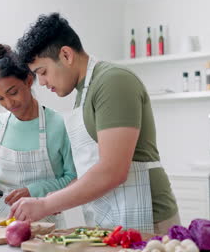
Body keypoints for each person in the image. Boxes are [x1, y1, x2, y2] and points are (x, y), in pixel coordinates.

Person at [9, 13, 180, 234]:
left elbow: (113, 170)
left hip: (149, 219)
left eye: (43, 72)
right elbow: (90, 168)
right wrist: (53, 198)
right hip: (112, 218)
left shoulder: (112, 82)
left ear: (66, 55)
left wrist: (46, 205)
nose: (42, 82)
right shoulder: (83, 93)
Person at [0, 44, 76, 228]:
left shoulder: (59, 124)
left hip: (48, 228)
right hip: (2, 226)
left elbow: (72, 179)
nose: (8, 103)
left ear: (29, 80)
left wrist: (33, 191)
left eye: (12, 93)